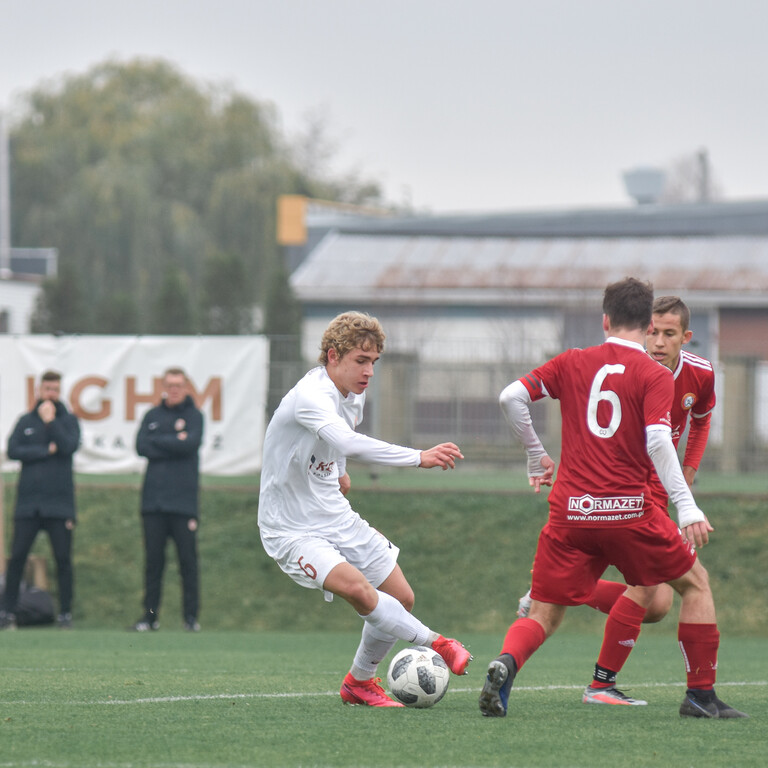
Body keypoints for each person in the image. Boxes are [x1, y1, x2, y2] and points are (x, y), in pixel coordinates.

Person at [478, 278, 746, 720]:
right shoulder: (654, 374)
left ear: (604, 320)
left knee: (550, 611)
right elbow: (660, 440)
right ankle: (699, 696)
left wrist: (534, 456)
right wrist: (688, 506)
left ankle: (506, 665)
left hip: (571, 512)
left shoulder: (572, 361)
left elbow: (511, 397)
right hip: (630, 512)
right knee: (695, 585)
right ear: (646, 325)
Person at [258, 311, 472, 707]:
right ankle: (438, 642)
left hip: (334, 513)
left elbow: (342, 442)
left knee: (401, 596)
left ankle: (359, 682)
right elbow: (349, 441)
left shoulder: (352, 393)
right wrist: (418, 457)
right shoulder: (311, 396)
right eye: (361, 360)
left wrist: (339, 472)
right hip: (290, 528)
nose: (369, 371)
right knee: (358, 589)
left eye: (374, 362)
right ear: (332, 356)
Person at [518, 295, 717, 623]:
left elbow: (701, 419)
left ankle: (551, 590)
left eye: (669, 334)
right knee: (660, 590)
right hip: (621, 488)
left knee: (658, 605)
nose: (658, 342)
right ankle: (601, 673)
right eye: (654, 332)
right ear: (644, 328)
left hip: (660, 483)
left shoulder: (700, 374)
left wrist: (689, 472)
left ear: (686, 337)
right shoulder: (627, 369)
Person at [0, 370, 80, 630]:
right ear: (39, 390)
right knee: (18, 557)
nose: (50, 394)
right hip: (28, 504)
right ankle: (7, 611)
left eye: (55, 390)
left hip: (59, 505)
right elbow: (13, 450)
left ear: (60, 392)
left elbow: (69, 446)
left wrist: (52, 422)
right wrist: (46, 450)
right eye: (47, 389)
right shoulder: (25, 421)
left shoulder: (68, 421)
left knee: (63, 559)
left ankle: (65, 613)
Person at [130, 367, 204, 632]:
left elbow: (190, 444)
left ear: (185, 388)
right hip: (153, 504)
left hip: (183, 505)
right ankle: (150, 617)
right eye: (170, 385)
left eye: (179, 385)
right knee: (153, 564)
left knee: (187, 563)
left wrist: (159, 442)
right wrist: (174, 440)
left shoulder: (194, 416)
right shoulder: (152, 415)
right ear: (163, 386)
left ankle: (190, 618)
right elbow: (140, 446)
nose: (174, 389)